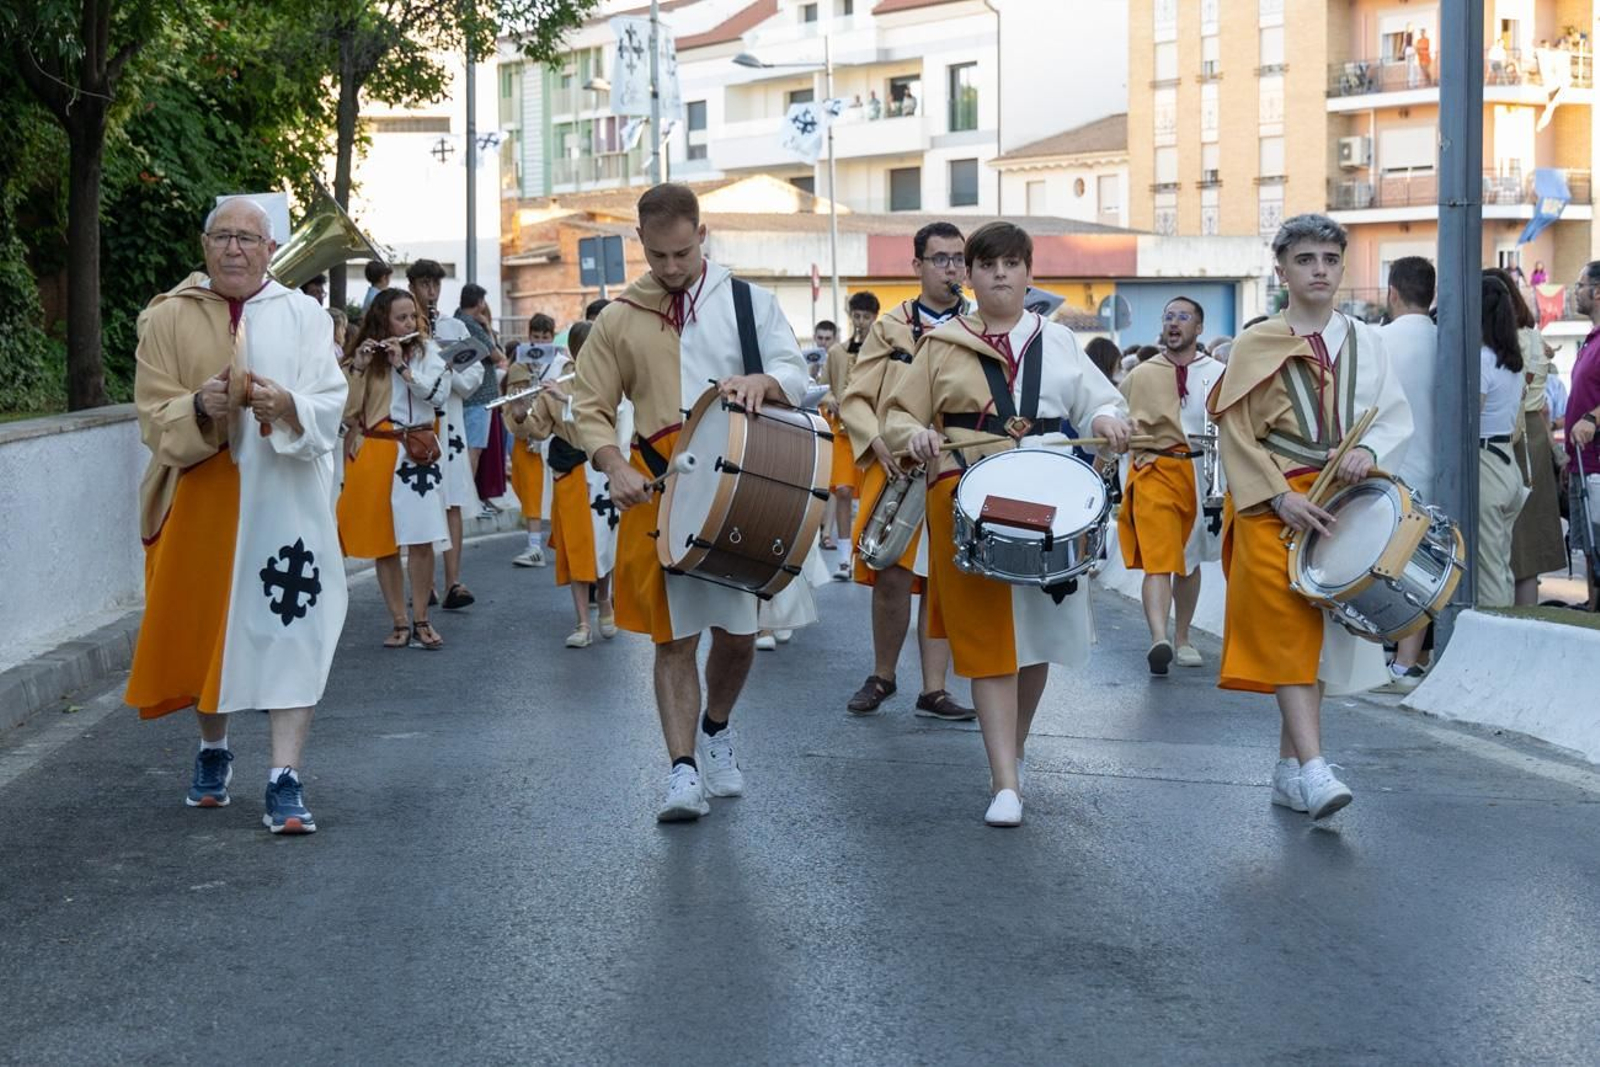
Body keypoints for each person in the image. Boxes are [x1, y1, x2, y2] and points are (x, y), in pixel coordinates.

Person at [572, 182, 810, 822]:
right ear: (641, 246)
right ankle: (681, 773)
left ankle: (716, 727)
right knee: (673, 641)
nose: (671, 268)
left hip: (740, 490)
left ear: (701, 235)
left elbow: (799, 373)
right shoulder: (620, 317)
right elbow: (587, 410)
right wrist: (614, 463)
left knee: (737, 637)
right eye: (657, 257)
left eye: (681, 254)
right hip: (661, 493)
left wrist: (767, 379)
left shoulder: (747, 302)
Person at [884, 221, 1131, 827]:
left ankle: (1011, 755)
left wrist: (1104, 421)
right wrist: (915, 434)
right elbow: (898, 413)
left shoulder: (1061, 341)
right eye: (988, 264)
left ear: (1027, 272)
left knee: (1037, 636)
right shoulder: (941, 343)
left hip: (1048, 492)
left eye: (1012, 263)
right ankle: (1005, 781)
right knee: (989, 638)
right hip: (967, 496)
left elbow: (1100, 400)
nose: (1000, 274)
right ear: (969, 275)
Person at [126, 197, 348, 834]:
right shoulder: (166, 316)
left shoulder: (305, 316)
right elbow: (151, 412)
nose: (234, 249)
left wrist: (287, 405)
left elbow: (331, 404)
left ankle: (284, 777)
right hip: (202, 494)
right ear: (204, 247)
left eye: (248, 239)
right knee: (207, 631)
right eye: (222, 237)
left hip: (285, 500)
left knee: (292, 629)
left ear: (270, 248)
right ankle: (213, 749)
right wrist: (200, 405)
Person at [1206, 214, 1412, 821]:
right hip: (1277, 503)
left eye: (1329, 258)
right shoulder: (1254, 341)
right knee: (1291, 633)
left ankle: (1288, 769)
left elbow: (1392, 413)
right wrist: (1276, 496)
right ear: (1282, 269)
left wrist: (1371, 452)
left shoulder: (1366, 339)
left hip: (1345, 503)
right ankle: (1317, 769)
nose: (1319, 270)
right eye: (1305, 259)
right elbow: (1235, 432)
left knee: (1317, 637)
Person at [836, 221, 972, 720]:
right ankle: (883, 675)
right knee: (890, 571)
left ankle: (934, 689)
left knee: (944, 579)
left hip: (955, 468)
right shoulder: (891, 327)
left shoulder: (977, 326)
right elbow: (856, 396)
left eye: (958, 258)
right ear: (917, 266)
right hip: (899, 466)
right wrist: (876, 441)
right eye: (941, 259)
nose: (952, 268)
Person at [337, 288, 451, 650]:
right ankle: (399, 621)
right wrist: (358, 367)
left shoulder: (429, 354)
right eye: (401, 317)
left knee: (420, 539)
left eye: (412, 317)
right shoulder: (365, 357)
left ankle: (422, 619)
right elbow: (345, 411)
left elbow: (437, 396)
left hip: (416, 454)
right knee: (383, 543)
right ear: (383, 320)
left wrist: (403, 367)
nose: (409, 323)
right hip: (375, 451)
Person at [1117, 296, 1226, 674]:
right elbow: (1115, 417)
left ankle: (1183, 637)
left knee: (1189, 561)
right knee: (1159, 561)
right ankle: (1158, 638)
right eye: (1168, 317)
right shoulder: (1142, 374)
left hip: (1199, 474)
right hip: (1154, 471)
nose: (1174, 323)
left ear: (1199, 328)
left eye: (1183, 317)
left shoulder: (1218, 372)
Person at [508, 322, 624, 648]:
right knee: (577, 547)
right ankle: (582, 623)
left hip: (602, 471)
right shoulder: (559, 378)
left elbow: (613, 419)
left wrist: (568, 401)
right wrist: (520, 415)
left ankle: (604, 598)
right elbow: (539, 428)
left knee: (603, 546)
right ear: (573, 350)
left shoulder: (612, 378)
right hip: (569, 473)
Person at [1374, 256, 1438, 691]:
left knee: (1389, 567)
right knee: (1425, 565)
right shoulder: (1446, 341)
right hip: (1440, 467)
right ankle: (1413, 656)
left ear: (1392, 293)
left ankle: (1399, 659)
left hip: (1388, 465)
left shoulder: (1377, 341)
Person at [1487, 269, 1567, 606]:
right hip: (1534, 433)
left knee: (1505, 544)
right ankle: (1529, 617)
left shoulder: (1499, 341)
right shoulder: (1534, 337)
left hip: (1507, 436)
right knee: (1529, 549)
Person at [1477, 275, 1529, 607]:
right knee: (1500, 564)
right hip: (1507, 462)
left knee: (1489, 572)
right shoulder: (1512, 359)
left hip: (1486, 464)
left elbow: (1469, 418)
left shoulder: (1483, 359)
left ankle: (1492, 649)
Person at [820, 293, 878, 572]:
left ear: (875, 318)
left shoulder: (882, 353)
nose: (861, 322)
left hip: (871, 434)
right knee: (842, 490)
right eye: (857, 316)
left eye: (866, 317)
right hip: (842, 433)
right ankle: (844, 555)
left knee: (870, 494)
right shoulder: (835, 353)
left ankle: (863, 551)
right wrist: (830, 397)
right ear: (850, 316)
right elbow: (822, 387)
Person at [454, 284, 506, 520]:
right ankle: (470, 502)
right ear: (480, 303)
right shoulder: (473, 325)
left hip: (462, 396)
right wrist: (487, 328)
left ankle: (466, 499)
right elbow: (497, 356)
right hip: (479, 396)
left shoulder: (455, 320)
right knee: (473, 451)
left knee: (464, 450)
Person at [510, 313, 556, 567]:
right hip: (527, 437)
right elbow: (511, 400)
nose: (539, 342)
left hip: (553, 435)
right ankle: (534, 545)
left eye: (545, 337)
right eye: (535, 337)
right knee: (530, 490)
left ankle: (561, 541)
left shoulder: (560, 363)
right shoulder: (519, 366)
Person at [1567, 261, 1600, 608]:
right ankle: (1592, 604)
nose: (1575, 292)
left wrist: (1591, 416)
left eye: (1579, 285)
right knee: (1589, 541)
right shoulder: (1590, 340)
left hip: (1596, 460)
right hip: (1580, 460)